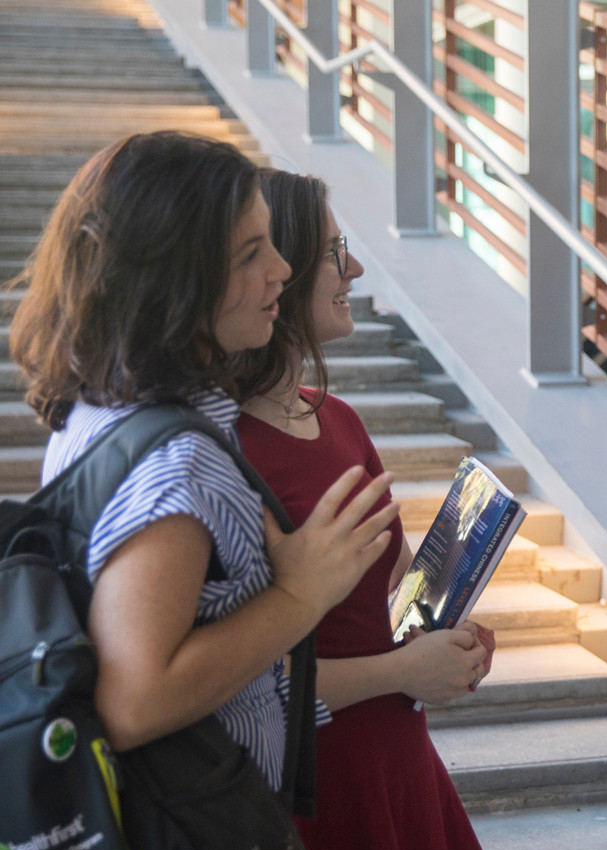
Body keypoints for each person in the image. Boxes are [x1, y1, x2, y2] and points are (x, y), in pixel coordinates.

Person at [10, 131, 398, 791]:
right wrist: (299, 592)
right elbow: (137, 701)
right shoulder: (180, 462)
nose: (281, 268)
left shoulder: (104, 408)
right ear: (176, 280)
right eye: (251, 252)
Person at [232, 170, 502, 850]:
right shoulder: (229, 454)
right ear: (277, 270)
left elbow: (396, 583)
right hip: (319, 784)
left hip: (399, 761)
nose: (352, 268)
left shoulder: (341, 418)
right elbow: (244, 681)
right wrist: (400, 674)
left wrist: (446, 631)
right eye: (333, 251)